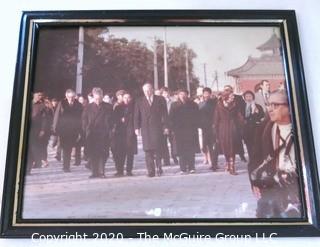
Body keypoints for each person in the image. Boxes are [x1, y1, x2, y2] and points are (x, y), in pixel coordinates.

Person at [251, 90, 301, 218]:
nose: (270, 109)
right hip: (274, 185)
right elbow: (255, 158)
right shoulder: (264, 129)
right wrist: (255, 182)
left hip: (299, 184)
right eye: (269, 105)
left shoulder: (305, 128)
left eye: (276, 105)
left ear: (290, 108)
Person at [134, 83, 169, 177]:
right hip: (146, 129)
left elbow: (165, 114)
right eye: (145, 90)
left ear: (152, 89)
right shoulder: (139, 101)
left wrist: (166, 126)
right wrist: (136, 127)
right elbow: (136, 115)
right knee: (148, 151)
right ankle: (151, 171)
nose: (147, 92)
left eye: (149, 90)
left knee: (158, 149)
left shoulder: (160, 99)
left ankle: (159, 168)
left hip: (157, 127)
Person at [82, 87, 113, 178]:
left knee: (103, 154)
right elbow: (84, 120)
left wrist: (110, 130)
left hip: (104, 134)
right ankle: (94, 172)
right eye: (96, 99)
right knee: (93, 154)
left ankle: (101, 172)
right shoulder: (88, 107)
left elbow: (112, 120)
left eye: (100, 99)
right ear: (93, 97)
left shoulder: (108, 107)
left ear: (102, 97)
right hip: (92, 134)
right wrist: (85, 129)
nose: (98, 101)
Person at [214, 89, 244, 175]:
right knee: (225, 147)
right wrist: (215, 131)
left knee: (232, 147)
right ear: (226, 97)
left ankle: (232, 166)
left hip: (233, 128)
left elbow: (239, 116)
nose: (233, 97)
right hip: (223, 129)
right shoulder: (219, 106)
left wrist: (241, 123)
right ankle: (227, 161)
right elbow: (216, 119)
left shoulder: (235, 105)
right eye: (231, 96)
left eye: (233, 96)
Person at [169, 89, 200, 174]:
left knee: (191, 150)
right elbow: (170, 118)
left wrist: (196, 125)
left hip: (191, 130)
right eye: (180, 94)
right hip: (179, 131)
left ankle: (191, 167)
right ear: (178, 95)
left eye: (184, 94)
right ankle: (182, 168)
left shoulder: (193, 105)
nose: (182, 96)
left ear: (187, 95)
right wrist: (172, 129)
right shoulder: (174, 105)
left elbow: (198, 116)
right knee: (181, 150)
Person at [53, 89, 83, 172]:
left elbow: (81, 119)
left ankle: (76, 161)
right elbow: (57, 116)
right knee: (66, 149)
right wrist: (55, 129)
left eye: (73, 97)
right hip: (64, 130)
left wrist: (81, 131)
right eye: (69, 97)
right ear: (66, 96)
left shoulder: (79, 105)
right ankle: (66, 167)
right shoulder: (61, 103)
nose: (71, 99)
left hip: (74, 130)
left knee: (72, 147)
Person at [111, 92, 137, 176]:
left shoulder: (134, 107)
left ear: (131, 99)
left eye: (128, 98)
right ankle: (120, 170)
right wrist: (119, 119)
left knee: (130, 153)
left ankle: (129, 170)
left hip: (130, 131)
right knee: (120, 152)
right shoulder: (118, 107)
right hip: (120, 133)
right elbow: (113, 119)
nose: (126, 99)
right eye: (124, 97)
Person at [27, 92, 49, 174]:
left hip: (35, 130)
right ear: (34, 96)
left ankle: (29, 169)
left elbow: (44, 119)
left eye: (40, 96)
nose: (39, 97)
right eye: (38, 95)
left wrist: (43, 130)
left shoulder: (42, 106)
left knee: (32, 148)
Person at [242, 90, 265, 168]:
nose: (248, 98)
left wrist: (257, 112)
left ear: (253, 97)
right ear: (244, 98)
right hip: (246, 130)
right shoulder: (243, 107)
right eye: (247, 96)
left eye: (250, 96)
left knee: (256, 145)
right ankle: (251, 161)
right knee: (249, 146)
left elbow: (262, 116)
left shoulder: (258, 106)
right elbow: (242, 117)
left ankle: (257, 161)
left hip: (256, 129)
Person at [198, 87, 218, 171]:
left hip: (213, 126)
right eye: (204, 93)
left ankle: (214, 164)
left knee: (214, 146)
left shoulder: (215, 103)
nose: (206, 95)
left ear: (210, 94)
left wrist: (215, 124)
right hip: (204, 127)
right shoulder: (200, 104)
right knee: (206, 146)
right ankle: (210, 162)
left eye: (207, 93)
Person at [160, 87, 178, 165]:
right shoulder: (159, 102)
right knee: (163, 143)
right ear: (161, 94)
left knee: (173, 142)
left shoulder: (173, 101)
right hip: (163, 125)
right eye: (164, 93)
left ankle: (174, 157)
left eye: (167, 92)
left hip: (172, 124)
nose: (166, 94)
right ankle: (166, 160)